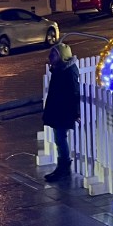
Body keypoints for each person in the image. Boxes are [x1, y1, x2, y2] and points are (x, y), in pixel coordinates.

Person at [42, 42, 80, 182]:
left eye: (54, 54)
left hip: (63, 110)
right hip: (58, 109)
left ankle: (64, 167)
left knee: (60, 138)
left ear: (61, 56)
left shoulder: (68, 71)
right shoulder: (58, 69)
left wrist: (75, 112)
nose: (50, 56)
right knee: (59, 138)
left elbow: (74, 92)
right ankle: (62, 166)